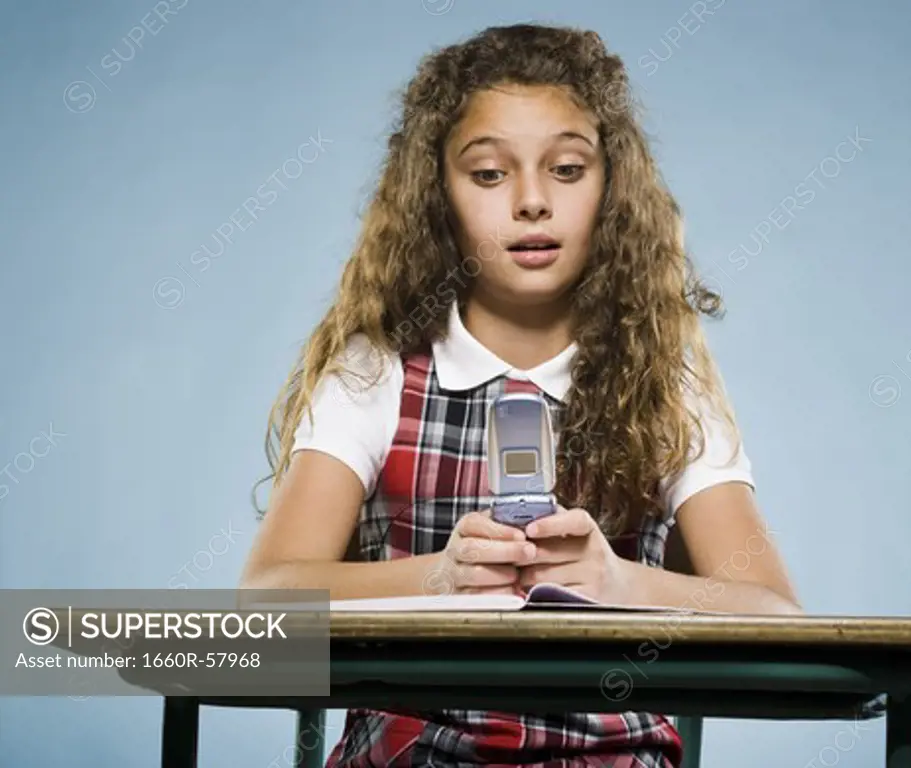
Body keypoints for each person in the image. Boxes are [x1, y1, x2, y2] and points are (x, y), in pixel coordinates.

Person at [240, 21, 802, 768]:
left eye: (567, 169)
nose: (533, 202)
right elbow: (265, 602)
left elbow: (772, 609)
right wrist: (439, 578)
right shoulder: (375, 374)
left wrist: (616, 581)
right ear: (437, 194)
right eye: (489, 174)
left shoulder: (667, 379)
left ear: (611, 186)